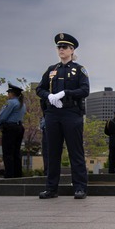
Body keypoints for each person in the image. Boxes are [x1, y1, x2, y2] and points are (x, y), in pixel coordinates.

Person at [36, 33, 90, 199]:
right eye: (59, 47)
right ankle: (51, 188)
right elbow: (40, 88)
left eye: (64, 47)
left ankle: (80, 187)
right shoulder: (52, 70)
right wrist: (49, 96)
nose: (61, 50)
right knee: (52, 152)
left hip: (71, 113)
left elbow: (85, 90)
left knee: (76, 152)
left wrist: (66, 93)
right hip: (53, 113)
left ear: (72, 50)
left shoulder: (79, 69)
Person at [0, 83, 26, 178]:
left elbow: (3, 116)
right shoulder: (22, 104)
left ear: (12, 93)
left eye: (9, 92)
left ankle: (9, 174)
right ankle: (17, 174)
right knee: (16, 153)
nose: (8, 94)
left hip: (10, 128)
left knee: (8, 153)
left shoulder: (10, 102)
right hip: (19, 127)